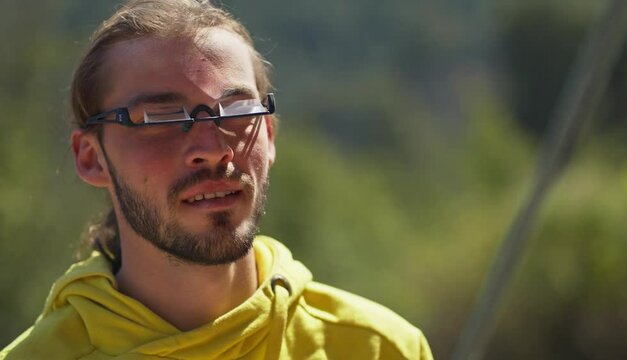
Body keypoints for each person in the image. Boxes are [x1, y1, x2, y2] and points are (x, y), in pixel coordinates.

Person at [1, 0, 433, 359]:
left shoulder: (379, 348)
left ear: (268, 133)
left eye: (238, 110)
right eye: (160, 117)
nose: (212, 146)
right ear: (92, 158)